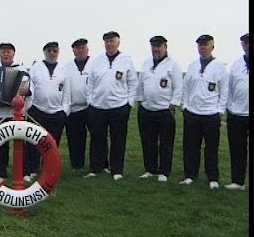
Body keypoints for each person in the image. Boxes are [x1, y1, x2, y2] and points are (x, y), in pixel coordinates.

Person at [85, 31, 138, 181]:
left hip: (119, 107)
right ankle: (96, 168)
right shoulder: (97, 61)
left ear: (118, 42)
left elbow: (133, 83)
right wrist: (90, 102)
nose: (109, 44)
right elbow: (90, 83)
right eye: (107, 41)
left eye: (112, 41)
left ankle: (117, 170)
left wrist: (129, 103)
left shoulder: (126, 60)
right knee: (97, 139)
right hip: (98, 107)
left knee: (118, 140)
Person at [179, 35, 228, 189]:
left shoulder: (220, 66)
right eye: (200, 45)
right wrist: (185, 106)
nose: (202, 48)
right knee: (191, 147)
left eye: (205, 45)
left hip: (211, 114)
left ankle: (212, 178)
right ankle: (190, 175)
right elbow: (185, 88)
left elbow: (224, 91)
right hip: (192, 113)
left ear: (212, 47)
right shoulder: (193, 65)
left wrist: (220, 110)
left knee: (211, 148)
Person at [136, 36, 183, 182]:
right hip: (146, 109)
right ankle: (150, 169)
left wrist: (173, 104)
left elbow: (178, 87)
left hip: (164, 110)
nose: (156, 49)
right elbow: (141, 84)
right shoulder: (146, 63)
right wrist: (140, 100)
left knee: (165, 143)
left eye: (158, 46)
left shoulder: (173, 65)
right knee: (148, 142)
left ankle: (164, 172)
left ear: (165, 47)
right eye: (153, 46)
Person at [25, 41, 70, 181]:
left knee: (52, 143)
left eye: (54, 51)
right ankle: (32, 169)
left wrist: (64, 111)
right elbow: (29, 87)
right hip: (37, 110)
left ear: (58, 52)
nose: (52, 53)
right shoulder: (35, 68)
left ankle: (49, 169)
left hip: (57, 112)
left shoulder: (63, 69)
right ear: (44, 52)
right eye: (49, 51)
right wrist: (29, 107)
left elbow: (67, 92)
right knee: (34, 142)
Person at [0, 42, 29, 183]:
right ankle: (1, 172)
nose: (5, 54)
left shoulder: (21, 70)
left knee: (20, 143)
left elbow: (29, 91)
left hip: (15, 113)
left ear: (13, 54)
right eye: (3, 51)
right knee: (0, 144)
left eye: (8, 52)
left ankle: (23, 171)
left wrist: (26, 91)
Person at [63, 38, 103, 175]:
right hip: (74, 108)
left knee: (98, 137)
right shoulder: (67, 66)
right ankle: (77, 164)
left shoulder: (95, 64)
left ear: (87, 49)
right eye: (77, 48)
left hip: (92, 106)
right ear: (73, 50)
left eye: (82, 48)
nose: (80, 51)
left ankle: (100, 164)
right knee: (75, 138)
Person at [225, 33, 249, 191]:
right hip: (236, 114)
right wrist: (229, 107)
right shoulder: (236, 64)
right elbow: (229, 88)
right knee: (237, 149)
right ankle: (238, 182)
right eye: (245, 43)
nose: (247, 45)